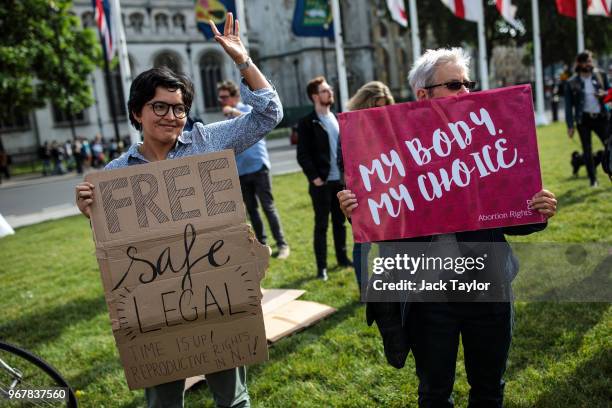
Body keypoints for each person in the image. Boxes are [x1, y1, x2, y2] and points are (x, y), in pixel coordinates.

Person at [75, 13, 282, 408]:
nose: (172, 116)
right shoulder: (116, 175)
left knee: (233, 399)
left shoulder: (206, 142)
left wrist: (243, 61)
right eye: (160, 107)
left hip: (216, 293)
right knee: (164, 404)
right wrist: (93, 213)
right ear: (137, 112)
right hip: (157, 306)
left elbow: (268, 114)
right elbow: (118, 251)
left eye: (180, 108)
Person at [337, 48, 557, 407]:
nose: (465, 92)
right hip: (428, 297)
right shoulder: (392, 149)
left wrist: (538, 211)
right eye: (454, 85)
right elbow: (387, 223)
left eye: (468, 84)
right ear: (423, 94)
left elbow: (512, 221)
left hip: (488, 288)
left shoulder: (484, 140)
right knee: (435, 393)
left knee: (489, 389)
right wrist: (358, 212)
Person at [218, 80, 290, 259]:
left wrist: (233, 111)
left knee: (268, 207)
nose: (222, 101)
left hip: (259, 166)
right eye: (220, 98)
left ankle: (282, 245)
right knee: (252, 210)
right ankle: (263, 245)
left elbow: (256, 119)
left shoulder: (246, 108)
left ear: (235, 96)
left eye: (225, 97)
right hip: (241, 171)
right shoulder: (226, 120)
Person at [339, 81, 395, 289]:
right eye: (374, 105)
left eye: (383, 105)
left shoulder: (390, 125)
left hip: (388, 192)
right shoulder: (349, 128)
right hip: (360, 194)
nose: (378, 111)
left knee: (389, 241)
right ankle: (365, 288)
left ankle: (387, 284)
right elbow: (341, 162)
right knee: (362, 243)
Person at [296, 76, 351, 280]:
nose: (330, 93)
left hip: (340, 182)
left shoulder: (338, 118)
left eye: (330, 89)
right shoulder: (307, 122)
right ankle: (322, 268)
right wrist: (315, 178)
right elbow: (303, 154)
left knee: (341, 222)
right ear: (315, 96)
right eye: (325, 90)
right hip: (322, 183)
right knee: (321, 226)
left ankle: (342, 258)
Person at [564, 50, 610, 187]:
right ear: (580, 63)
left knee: (609, 145)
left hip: (601, 117)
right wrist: (570, 125)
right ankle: (593, 179)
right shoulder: (571, 82)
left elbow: (610, 91)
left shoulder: (601, 75)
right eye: (587, 61)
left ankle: (610, 170)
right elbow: (568, 106)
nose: (590, 64)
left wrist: (604, 94)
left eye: (591, 61)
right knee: (587, 150)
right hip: (583, 120)